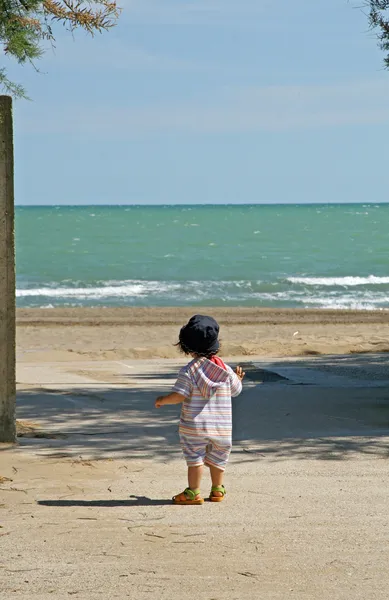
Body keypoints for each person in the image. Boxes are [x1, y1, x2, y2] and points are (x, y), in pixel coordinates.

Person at [155, 314, 245, 505]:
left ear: (186, 348)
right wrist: (238, 380)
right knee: (219, 456)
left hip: (194, 427)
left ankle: (193, 492)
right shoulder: (225, 370)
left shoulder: (189, 371)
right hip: (221, 427)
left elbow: (179, 395)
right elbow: (236, 391)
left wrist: (163, 400)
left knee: (195, 457)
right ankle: (217, 490)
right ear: (216, 345)